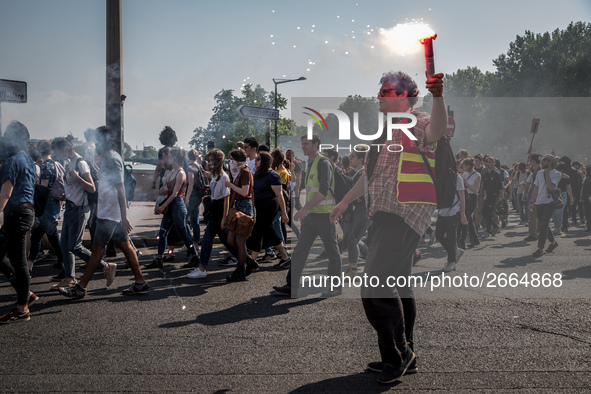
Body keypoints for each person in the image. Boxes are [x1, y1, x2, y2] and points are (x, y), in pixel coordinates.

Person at [330, 71, 447, 384]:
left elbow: (435, 132)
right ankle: (403, 352)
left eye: (388, 91)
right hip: (383, 214)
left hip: (405, 213)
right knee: (399, 284)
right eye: (380, 90)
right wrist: (344, 203)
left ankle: (397, 355)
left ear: (406, 96)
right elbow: (369, 177)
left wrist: (438, 96)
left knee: (374, 287)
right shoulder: (383, 133)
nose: (380, 95)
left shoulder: (416, 120)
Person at [59, 126, 149, 298]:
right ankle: (140, 282)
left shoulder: (113, 160)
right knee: (124, 247)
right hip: (107, 213)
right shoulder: (109, 159)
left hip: (110, 215)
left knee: (98, 249)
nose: (94, 144)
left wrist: (124, 218)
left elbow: (120, 189)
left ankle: (81, 287)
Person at [51, 137, 116, 289]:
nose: (57, 155)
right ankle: (70, 278)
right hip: (69, 206)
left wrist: (77, 177)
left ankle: (106, 266)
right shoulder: (68, 162)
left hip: (80, 208)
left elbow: (92, 188)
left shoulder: (81, 163)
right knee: (64, 244)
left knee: (75, 246)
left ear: (66, 148)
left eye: (59, 152)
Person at [0, 121, 38, 323]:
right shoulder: (28, 160)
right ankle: (26, 295)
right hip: (25, 212)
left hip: (16, 213)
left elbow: (6, 193)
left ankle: (22, 308)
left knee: (18, 261)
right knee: (4, 255)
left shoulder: (13, 161)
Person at [187, 149, 238, 279]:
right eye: (208, 160)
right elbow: (213, 182)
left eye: (211, 160)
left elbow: (226, 198)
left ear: (217, 161)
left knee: (208, 239)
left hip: (219, 210)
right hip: (215, 209)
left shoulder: (223, 176)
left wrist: (224, 218)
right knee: (225, 240)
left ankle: (202, 267)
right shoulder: (216, 175)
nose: (208, 162)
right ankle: (246, 260)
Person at [152, 147, 200, 269]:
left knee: (183, 233)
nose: (166, 159)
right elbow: (168, 190)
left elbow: (174, 193)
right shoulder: (173, 171)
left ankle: (195, 256)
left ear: (174, 158)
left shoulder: (181, 173)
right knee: (163, 232)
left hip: (177, 205)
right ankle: (159, 258)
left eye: (169, 157)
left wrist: (163, 205)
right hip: (172, 205)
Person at [246, 151, 291, 267]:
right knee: (267, 232)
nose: (255, 161)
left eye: (258, 159)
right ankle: (285, 257)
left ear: (264, 161)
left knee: (258, 232)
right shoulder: (257, 174)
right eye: (256, 159)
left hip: (269, 206)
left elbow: (280, 196)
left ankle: (252, 261)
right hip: (260, 207)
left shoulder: (273, 175)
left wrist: (285, 214)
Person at [224, 149, 256, 281]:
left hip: (244, 206)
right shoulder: (240, 172)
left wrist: (230, 185)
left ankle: (240, 269)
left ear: (237, 160)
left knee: (240, 241)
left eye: (232, 159)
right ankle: (248, 262)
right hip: (239, 206)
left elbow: (244, 192)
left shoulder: (245, 172)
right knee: (231, 240)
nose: (230, 162)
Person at [339, 149, 371, 278]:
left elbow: (361, 195)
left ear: (361, 159)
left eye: (353, 156)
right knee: (354, 239)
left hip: (362, 211)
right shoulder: (353, 173)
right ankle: (370, 261)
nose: (350, 158)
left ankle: (352, 269)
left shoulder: (363, 173)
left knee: (352, 238)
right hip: (355, 210)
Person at [529, 154, 561, 257]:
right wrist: (532, 201)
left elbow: (551, 187)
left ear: (550, 162)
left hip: (549, 202)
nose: (542, 163)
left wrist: (547, 174)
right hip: (539, 202)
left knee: (542, 225)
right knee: (544, 225)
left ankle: (540, 248)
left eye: (544, 161)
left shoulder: (557, 174)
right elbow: (536, 188)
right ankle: (553, 243)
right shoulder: (539, 173)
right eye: (542, 161)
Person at [436, 173, 468, 272]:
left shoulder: (457, 177)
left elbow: (462, 197)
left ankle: (451, 262)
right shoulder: (440, 176)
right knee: (438, 234)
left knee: (451, 237)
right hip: (442, 211)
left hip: (454, 211)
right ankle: (455, 251)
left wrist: (463, 214)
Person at [459, 158, 481, 248]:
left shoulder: (477, 175)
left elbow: (476, 190)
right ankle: (475, 239)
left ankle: (462, 241)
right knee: (469, 219)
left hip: (472, 197)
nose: (463, 168)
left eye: (464, 166)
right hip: (465, 197)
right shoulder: (464, 174)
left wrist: (466, 184)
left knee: (465, 219)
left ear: (468, 166)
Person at [481, 156, 502, 238]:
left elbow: (500, 186)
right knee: (484, 212)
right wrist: (485, 195)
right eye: (489, 162)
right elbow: (485, 186)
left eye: (492, 162)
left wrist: (501, 196)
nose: (490, 164)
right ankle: (495, 226)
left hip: (494, 196)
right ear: (486, 163)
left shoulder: (497, 174)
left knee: (489, 213)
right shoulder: (485, 174)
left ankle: (488, 231)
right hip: (487, 196)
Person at [523, 153, 542, 241]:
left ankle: (533, 234)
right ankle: (539, 232)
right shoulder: (541, 170)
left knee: (533, 216)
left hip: (536, 195)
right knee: (539, 216)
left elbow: (529, 185)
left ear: (533, 161)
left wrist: (526, 194)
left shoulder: (536, 172)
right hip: (542, 196)